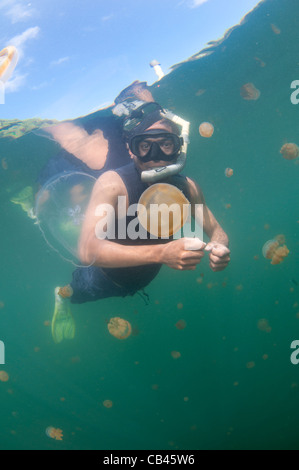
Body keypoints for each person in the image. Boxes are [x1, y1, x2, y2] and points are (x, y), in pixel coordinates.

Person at [50, 99, 230, 343]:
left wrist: (220, 246)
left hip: (145, 275)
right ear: (131, 148)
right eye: (146, 145)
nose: (156, 156)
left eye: (166, 144)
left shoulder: (188, 187)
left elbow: (216, 230)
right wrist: (162, 253)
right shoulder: (113, 184)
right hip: (104, 278)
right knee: (77, 292)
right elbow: (87, 249)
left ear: (179, 147)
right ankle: (61, 296)